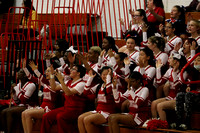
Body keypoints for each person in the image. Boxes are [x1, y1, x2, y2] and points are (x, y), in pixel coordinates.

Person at [41, 64, 86, 133]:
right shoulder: (68, 82)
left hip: (76, 110)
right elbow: (54, 88)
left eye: (73, 69)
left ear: (78, 73)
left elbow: (68, 93)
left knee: (60, 116)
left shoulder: (82, 84)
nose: (70, 70)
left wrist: (61, 81)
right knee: (46, 116)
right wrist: (52, 75)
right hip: (66, 108)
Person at [21, 60, 60, 133]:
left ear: (53, 73)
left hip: (49, 109)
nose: (46, 73)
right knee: (24, 113)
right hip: (42, 107)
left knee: (28, 114)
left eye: (48, 71)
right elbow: (31, 78)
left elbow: (43, 79)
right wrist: (24, 68)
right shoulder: (45, 83)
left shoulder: (55, 84)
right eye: (46, 71)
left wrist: (35, 70)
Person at [78, 67, 116, 133]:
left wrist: (109, 78)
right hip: (99, 111)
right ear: (101, 75)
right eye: (103, 75)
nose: (105, 76)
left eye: (107, 75)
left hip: (108, 113)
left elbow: (108, 91)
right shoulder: (99, 86)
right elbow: (85, 92)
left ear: (111, 76)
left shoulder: (113, 86)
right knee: (80, 118)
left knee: (87, 120)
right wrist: (90, 78)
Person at [151, 53, 188, 121]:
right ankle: (155, 122)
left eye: (170, 58)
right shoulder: (169, 70)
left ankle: (164, 126)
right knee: (153, 104)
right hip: (170, 96)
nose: (169, 60)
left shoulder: (184, 72)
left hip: (179, 98)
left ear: (176, 61)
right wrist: (158, 68)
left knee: (159, 106)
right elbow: (159, 82)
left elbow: (177, 86)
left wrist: (174, 72)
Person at [0, 69, 37, 133]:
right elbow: (17, 101)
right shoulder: (19, 85)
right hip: (21, 106)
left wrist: (16, 89)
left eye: (20, 72)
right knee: (3, 112)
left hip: (30, 106)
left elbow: (24, 100)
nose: (18, 73)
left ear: (25, 75)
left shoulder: (31, 85)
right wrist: (14, 93)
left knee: (9, 112)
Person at [176, 55, 200, 130]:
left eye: (198, 60)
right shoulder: (194, 73)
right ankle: (179, 121)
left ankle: (187, 122)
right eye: (195, 60)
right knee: (180, 95)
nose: (196, 62)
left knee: (189, 95)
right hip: (195, 95)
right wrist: (189, 87)